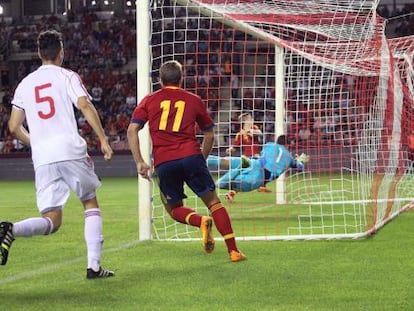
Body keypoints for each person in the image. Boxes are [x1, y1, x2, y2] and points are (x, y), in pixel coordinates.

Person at [0, 30, 114, 279]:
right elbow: (84, 104)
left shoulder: (25, 84)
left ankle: (12, 229)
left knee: (52, 219)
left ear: (40, 53)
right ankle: (94, 267)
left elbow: (13, 127)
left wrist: (36, 142)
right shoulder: (67, 76)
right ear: (61, 52)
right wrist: (103, 140)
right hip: (69, 149)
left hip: (43, 158)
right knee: (90, 202)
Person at [127, 60, 246, 262]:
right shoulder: (193, 99)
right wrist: (202, 158)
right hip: (191, 156)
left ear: (160, 80)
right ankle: (233, 251)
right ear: (181, 79)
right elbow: (209, 134)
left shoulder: (149, 100)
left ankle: (200, 222)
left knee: (174, 210)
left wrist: (139, 161)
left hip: (165, 162)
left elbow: (132, 130)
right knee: (214, 202)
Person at [208, 135, 308, 203]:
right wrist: (301, 160)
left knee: (221, 161)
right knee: (220, 184)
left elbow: (264, 155)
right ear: (287, 145)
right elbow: (299, 168)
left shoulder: (269, 144)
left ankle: (198, 156)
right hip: (259, 177)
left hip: (254, 162)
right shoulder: (289, 158)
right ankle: (239, 169)